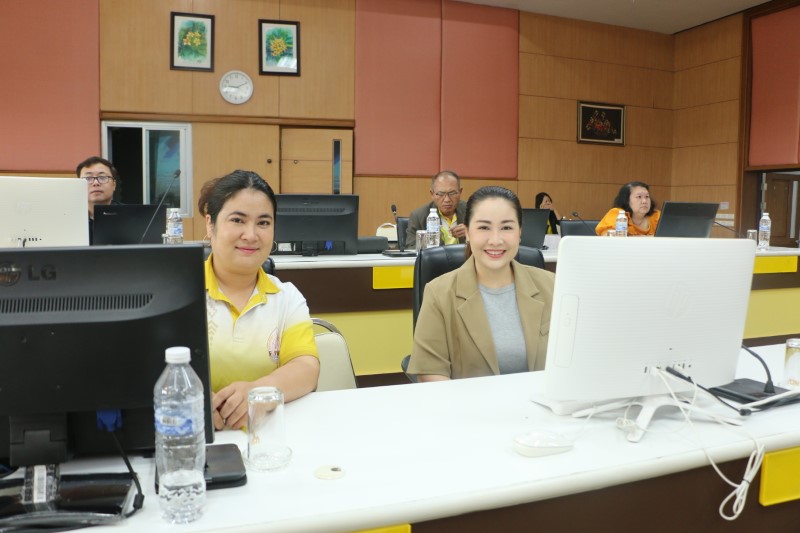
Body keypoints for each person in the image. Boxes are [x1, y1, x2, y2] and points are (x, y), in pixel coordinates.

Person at [198, 170, 320, 430]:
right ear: (210, 224)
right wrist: (189, 399)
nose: (251, 235)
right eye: (237, 220)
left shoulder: (287, 297)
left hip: (268, 434)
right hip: (195, 435)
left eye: (263, 223)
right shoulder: (181, 290)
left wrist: (259, 392)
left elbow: (306, 367)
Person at [407, 186, 555, 381]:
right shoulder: (438, 293)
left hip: (542, 400)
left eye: (507, 228)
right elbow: (430, 373)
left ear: (520, 232)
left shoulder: (552, 286)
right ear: (467, 232)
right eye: (484, 227)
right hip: (467, 401)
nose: (495, 240)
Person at [405, 170, 467, 249]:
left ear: (460, 192)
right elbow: (411, 248)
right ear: (432, 194)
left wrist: (470, 233)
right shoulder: (418, 216)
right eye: (441, 194)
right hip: (436, 257)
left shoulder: (472, 211)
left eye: (452, 193)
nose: (447, 199)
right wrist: (430, 241)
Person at [76, 156, 121, 243]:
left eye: (102, 177)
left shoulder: (130, 217)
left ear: (114, 184)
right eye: (88, 178)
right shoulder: (69, 219)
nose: (96, 183)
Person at [595, 181, 661, 236]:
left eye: (647, 196)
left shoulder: (656, 216)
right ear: (626, 200)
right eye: (639, 197)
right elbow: (606, 236)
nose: (644, 201)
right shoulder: (618, 214)